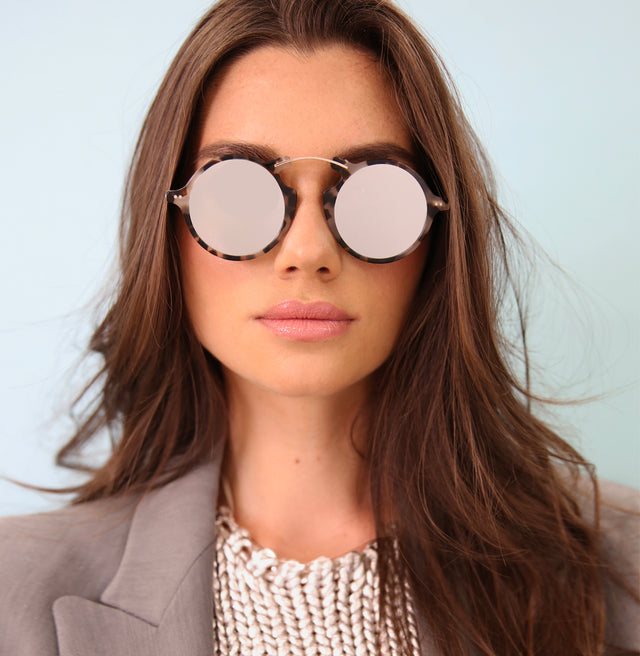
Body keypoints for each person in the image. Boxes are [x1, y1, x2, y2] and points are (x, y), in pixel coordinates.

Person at [0, 0, 637, 654]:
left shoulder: (621, 573)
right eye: (235, 195)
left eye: (377, 196)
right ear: (168, 231)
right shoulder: (14, 596)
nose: (307, 250)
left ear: (438, 236)